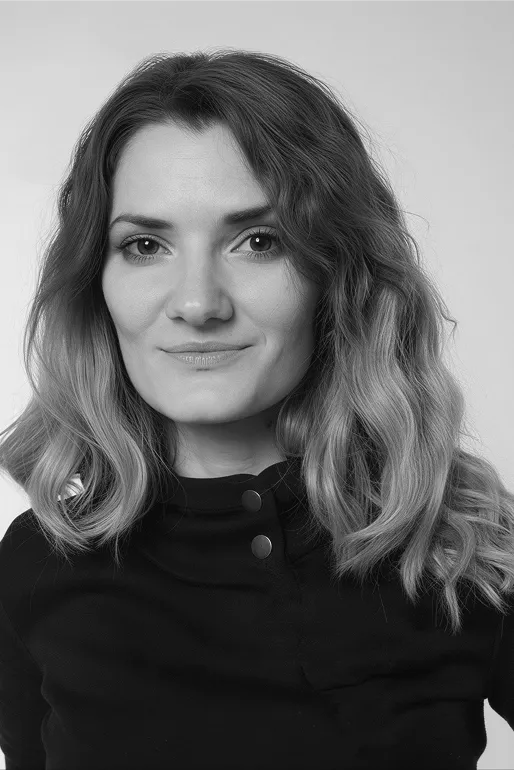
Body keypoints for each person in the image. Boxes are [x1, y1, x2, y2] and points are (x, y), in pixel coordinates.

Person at [0, 48, 512, 770]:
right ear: (97, 283)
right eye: (145, 244)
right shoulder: (38, 563)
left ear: (336, 271)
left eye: (258, 242)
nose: (198, 303)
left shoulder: (458, 538)